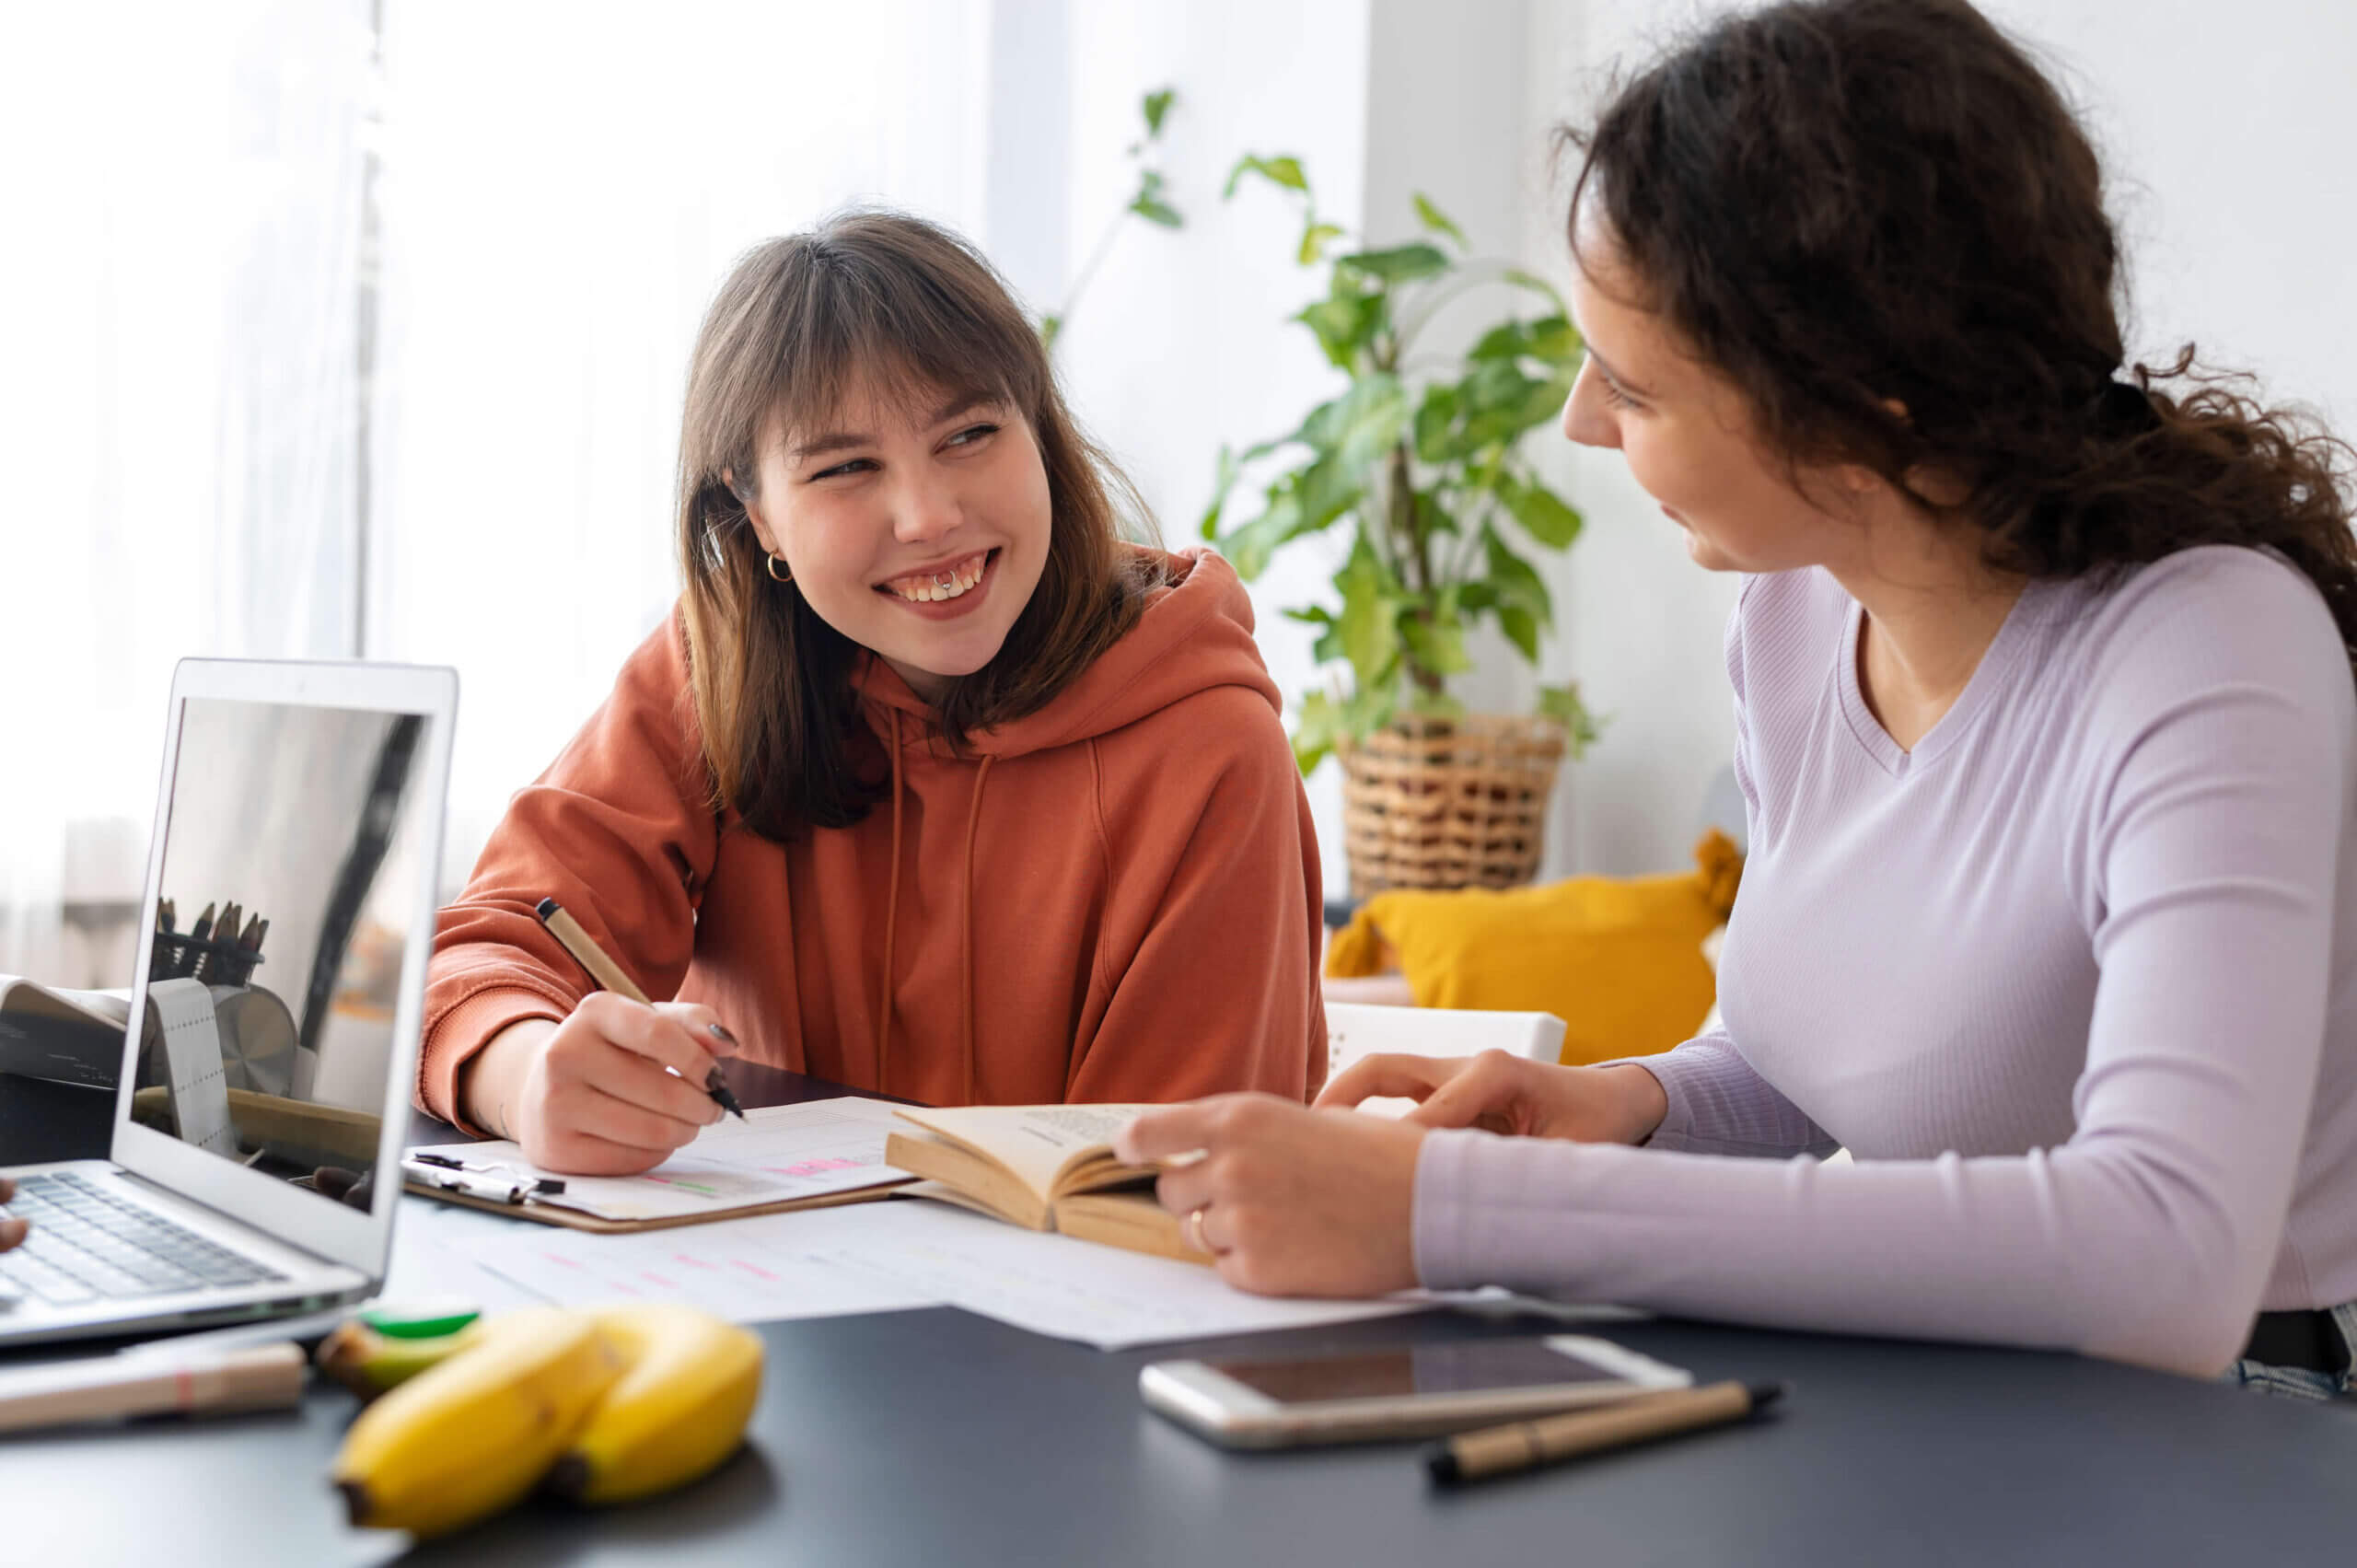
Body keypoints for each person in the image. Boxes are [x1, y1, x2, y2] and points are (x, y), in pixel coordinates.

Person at [1117, 0, 2357, 1397]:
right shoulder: (1794, 612)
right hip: (1981, 1389)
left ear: (1855, 404)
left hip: (2274, 1416)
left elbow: (2169, 1257)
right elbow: (1824, 1065)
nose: (1582, 420)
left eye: (1633, 383)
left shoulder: (2212, 647)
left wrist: (1448, 1213)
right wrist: (1626, 1105)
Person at [422, 212, 1326, 1175]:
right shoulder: (719, 666)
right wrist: (525, 1078)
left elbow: (1167, 1190)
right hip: (755, 1290)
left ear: (1040, 434)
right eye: (847, 466)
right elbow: (487, 945)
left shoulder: (1207, 744)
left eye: (971, 433)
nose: (929, 516)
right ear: (757, 510)